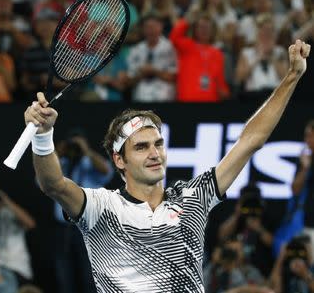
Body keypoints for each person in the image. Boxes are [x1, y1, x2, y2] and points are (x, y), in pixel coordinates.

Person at [20, 38, 310, 292]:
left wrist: (292, 77)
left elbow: (250, 141)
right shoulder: (100, 207)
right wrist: (43, 136)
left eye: (158, 143)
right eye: (142, 147)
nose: (154, 152)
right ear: (119, 160)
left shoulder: (193, 198)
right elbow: (53, 184)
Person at [53, 128, 113, 293]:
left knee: (91, 278)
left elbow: (107, 171)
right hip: (63, 228)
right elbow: (42, 180)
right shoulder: (60, 166)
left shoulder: (90, 165)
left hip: (89, 228)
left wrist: (85, 150)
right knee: (64, 278)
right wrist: (57, 153)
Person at [169, 12, 230, 102]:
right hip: (187, 99)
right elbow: (174, 37)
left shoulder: (217, 53)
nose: (204, 30)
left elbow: (220, 80)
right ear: (195, 29)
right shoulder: (187, 46)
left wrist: (224, 92)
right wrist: (186, 21)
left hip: (210, 101)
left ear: (212, 31)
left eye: (207, 27)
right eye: (201, 27)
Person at [126, 13, 178, 102]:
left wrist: (154, 71)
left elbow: (175, 77)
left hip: (165, 100)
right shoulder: (136, 50)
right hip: (141, 100)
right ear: (142, 29)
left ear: (161, 27)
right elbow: (128, 81)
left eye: (154, 26)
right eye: (147, 27)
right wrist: (141, 74)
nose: (151, 30)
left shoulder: (171, 48)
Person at [291, 120, 314, 255]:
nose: (307, 140)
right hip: (308, 226)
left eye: (310, 135)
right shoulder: (305, 161)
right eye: (306, 136)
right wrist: (305, 168)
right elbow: (295, 190)